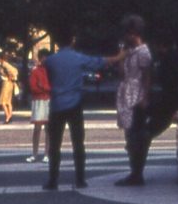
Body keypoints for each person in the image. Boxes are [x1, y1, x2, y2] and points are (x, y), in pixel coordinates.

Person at [42, 29, 123, 191]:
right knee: (78, 143)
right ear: (72, 41)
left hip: (57, 104)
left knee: (54, 144)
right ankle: (80, 179)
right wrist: (121, 55)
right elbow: (102, 61)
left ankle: (53, 180)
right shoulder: (78, 58)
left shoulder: (50, 61)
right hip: (75, 103)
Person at [114, 15, 153, 186]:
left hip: (136, 94)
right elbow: (122, 73)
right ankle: (134, 171)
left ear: (134, 33)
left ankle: (137, 172)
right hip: (126, 92)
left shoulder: (144, 52)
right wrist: (121, 57)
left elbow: (147, 76)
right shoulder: (129, 52)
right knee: (129, 134)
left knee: (135, 134)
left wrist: (144, 97)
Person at [148, 37, 178, 140]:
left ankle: (140, 142)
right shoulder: (176, 58)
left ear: (160, 46)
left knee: (157, 123)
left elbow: (168, 81)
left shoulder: (167, 59)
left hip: (173, 97)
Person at [26, 49, 52, 163]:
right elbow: (33, 87)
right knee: (37, 128)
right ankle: (34, 153)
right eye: (43, 57)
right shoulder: (35, 71)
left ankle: (47, 154)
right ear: (40, 58)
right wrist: (45, 88)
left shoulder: (51, 71)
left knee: (48, 128)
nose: (45, 60)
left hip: (48, 100)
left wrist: (43, 87)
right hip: (38, 101)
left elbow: (53, 86)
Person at [0, 51, 19, 123]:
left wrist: (11, 77)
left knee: (3, 101)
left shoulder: (4, 65)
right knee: (8, 101)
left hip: (7, 83)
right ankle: (10, 115)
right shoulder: (5, 64)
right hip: (10, 83)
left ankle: (8, 116)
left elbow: (14, 71)